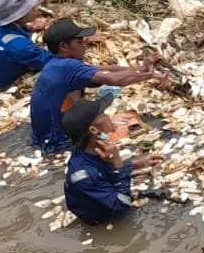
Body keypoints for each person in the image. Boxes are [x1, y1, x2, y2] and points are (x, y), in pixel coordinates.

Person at [27, 18, 165, 153]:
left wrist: (141, 68)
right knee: (111, 124)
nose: (85, 44)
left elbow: (104, 70)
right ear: (63, 46)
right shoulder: (69, 66)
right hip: (58, 140)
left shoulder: (57, 63)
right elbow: (112, 79)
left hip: (43, 136)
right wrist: (150, 75)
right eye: (79, 41)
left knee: (111, 119)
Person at [62, 95, 164, 226]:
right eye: (103, 114)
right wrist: (118, 164)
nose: (109, 116)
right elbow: (122, 205)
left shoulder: (90, 150)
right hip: (103, 218)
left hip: (106, 193)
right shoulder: (83, 174)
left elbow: (104, 171)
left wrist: (138, 163)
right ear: (93, 129)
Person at [0, 0, 49, 90]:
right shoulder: (20, 47)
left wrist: (30, 28)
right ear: (20, 14)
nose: (38, 11)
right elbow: (50, 62)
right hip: (8, 82)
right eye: (32, 8)